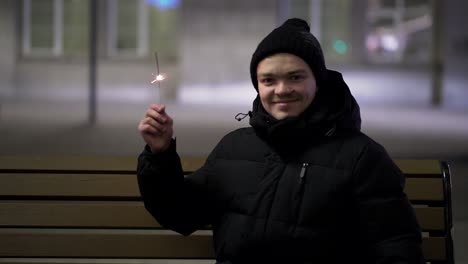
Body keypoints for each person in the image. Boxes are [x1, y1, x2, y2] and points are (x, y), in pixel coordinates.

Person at [137, 18, 425, 263]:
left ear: (318, 81)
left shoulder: (362, 157)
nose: (282, 90)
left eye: (295, 77)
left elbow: (396, 246)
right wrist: (160, 154)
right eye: (268, 80)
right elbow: (180, 214)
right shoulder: (234, 148)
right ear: (257, 85)